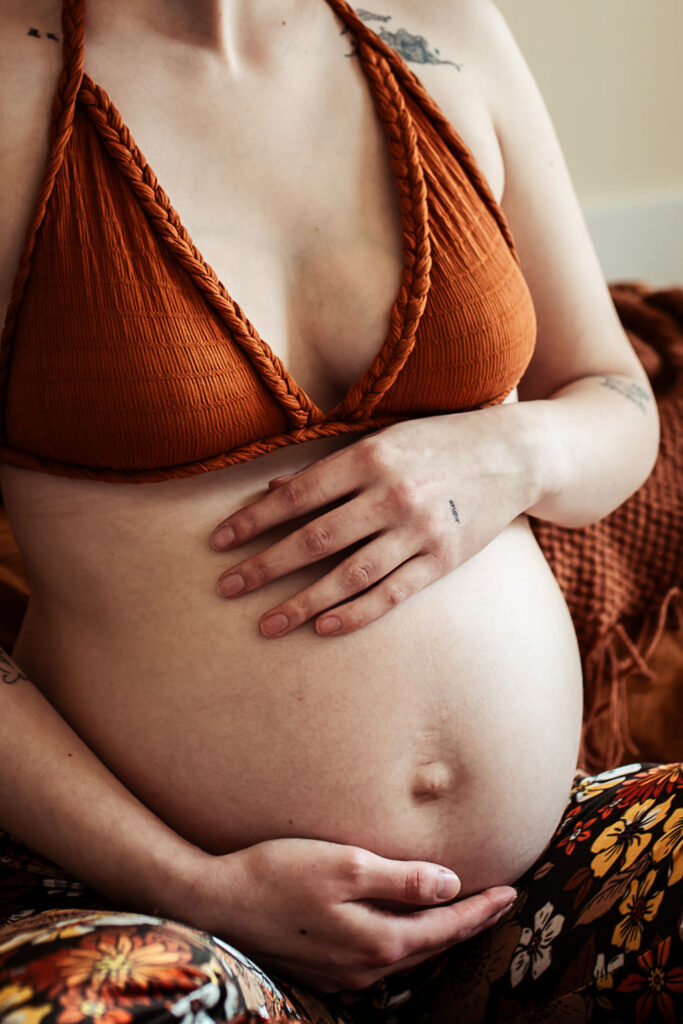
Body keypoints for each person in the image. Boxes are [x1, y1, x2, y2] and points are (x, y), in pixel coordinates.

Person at [0, 0, 680, 1021]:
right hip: (171, 917)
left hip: (528, 896)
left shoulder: (445, 28)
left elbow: (612, 394)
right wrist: (186, 883)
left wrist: (515, 447)